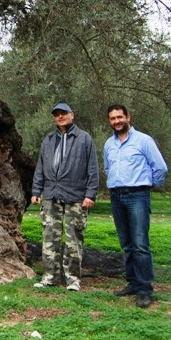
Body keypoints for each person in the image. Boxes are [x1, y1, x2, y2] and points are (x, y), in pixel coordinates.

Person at [104, 104, 168, 309]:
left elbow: (160, 168)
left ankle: (144, 289)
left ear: (128, 117)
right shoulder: (108, 144)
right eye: (112, 119)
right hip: (116, 196)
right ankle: (132, 283)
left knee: (140, 243)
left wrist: (149, 186)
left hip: (138, 195)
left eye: (119, 117)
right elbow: (108, 167)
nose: (116, 121)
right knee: (127, 243)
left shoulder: (144, 140)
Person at [31, 102, 99, 291]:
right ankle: (49, 277)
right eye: (57, 114)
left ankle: (73, 280)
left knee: (73, 239)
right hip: (51, 194)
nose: (60, 117)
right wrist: (36, 191)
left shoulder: (84, 139)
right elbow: (40, 167)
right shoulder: (48, 140)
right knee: (49, 237)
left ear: (72, 115)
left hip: (75, 196)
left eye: (64, 113)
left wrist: (90, 194)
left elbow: (93, 169)